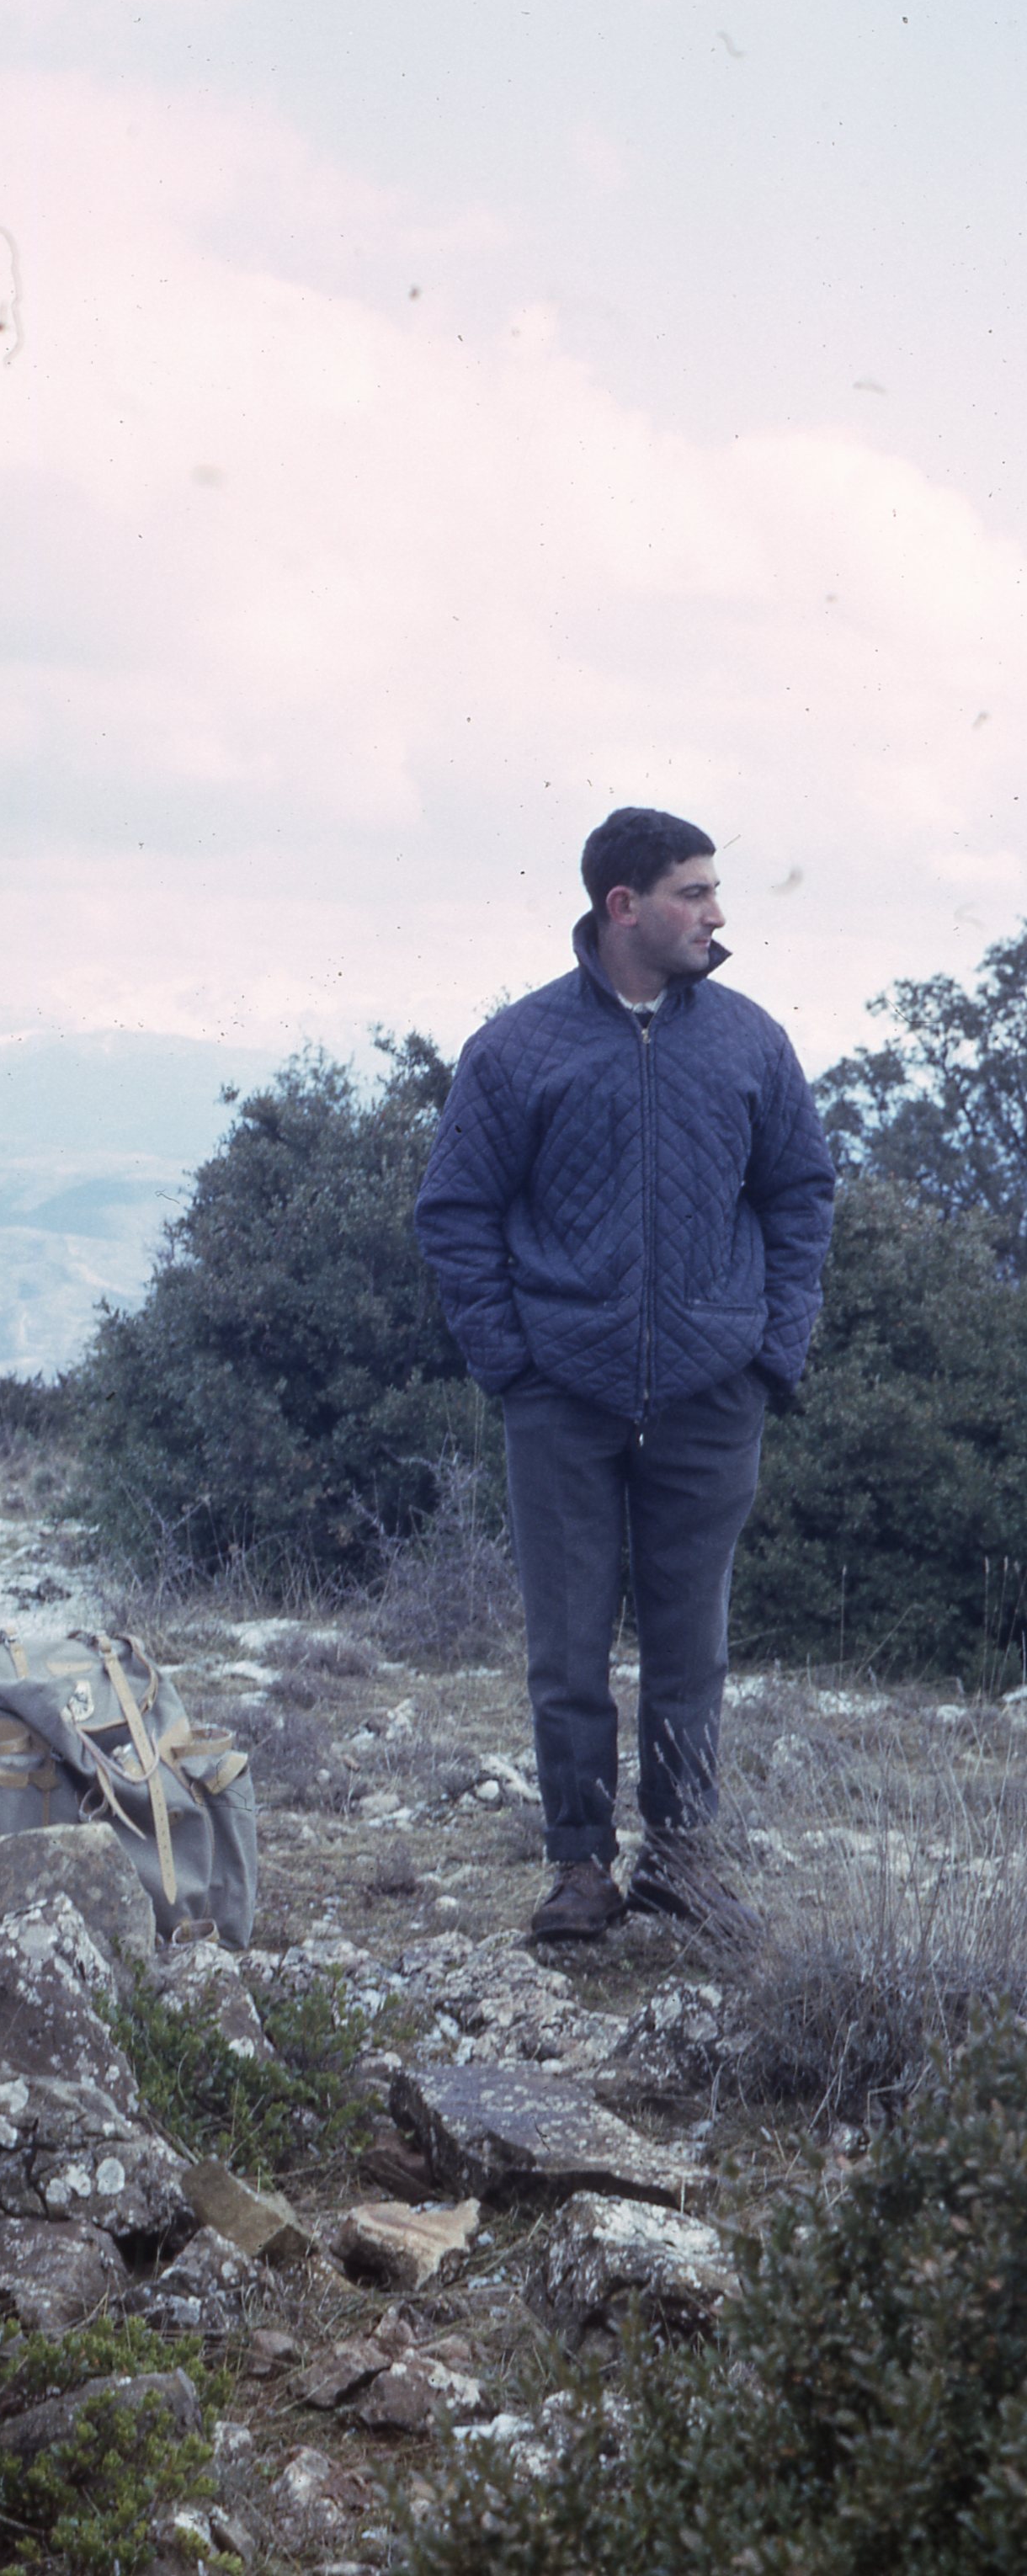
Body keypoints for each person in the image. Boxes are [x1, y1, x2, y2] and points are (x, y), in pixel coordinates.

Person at [414, 807, 835, 1940]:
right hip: (563, 1397)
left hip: (712, 1392)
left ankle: (682, 1864)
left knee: (692, 1648)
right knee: (568, 1651)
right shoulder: (517, 1049)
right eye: (694, 892)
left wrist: (771, 1354)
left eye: (714, 891)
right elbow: (455, 1210)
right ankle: (581, 1870)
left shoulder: (749, 1041)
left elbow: (800, 1193)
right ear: (624, 906)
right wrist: (513, 1366)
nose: (716, 914)